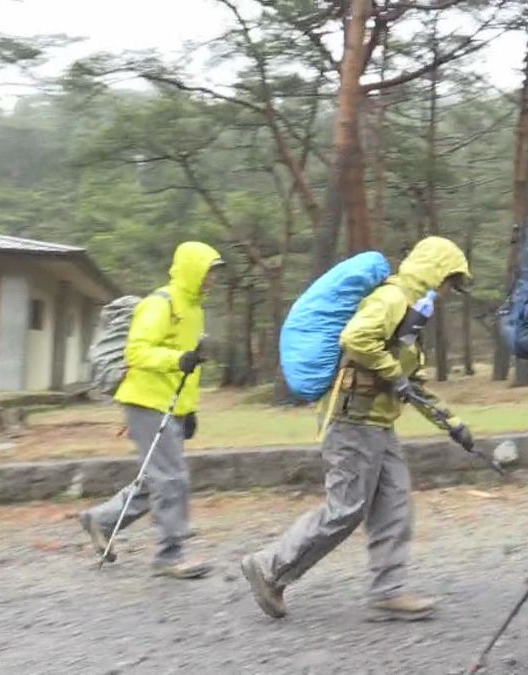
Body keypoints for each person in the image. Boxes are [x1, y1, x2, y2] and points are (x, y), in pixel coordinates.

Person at [241, 236, 475, 622]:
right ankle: (269, 567)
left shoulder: (413, 314)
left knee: (395, 504)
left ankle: (387, 592)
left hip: (379, 423)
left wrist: (452, 423)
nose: (450, 293)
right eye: (450, 283)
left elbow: (410, 383)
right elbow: (356, 339)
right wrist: (392, 372)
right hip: (352, 421)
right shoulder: (392, 299)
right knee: (345, 510)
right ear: (436, 273)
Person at [78, 241, 223, 579]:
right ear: (192, 269)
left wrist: (189, 411)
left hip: (170, 404)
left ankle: (101, 520)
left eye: (214, 274)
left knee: (155, 478)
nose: (211, 280)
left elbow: (189, 369)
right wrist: (176, 359)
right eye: (208, 273)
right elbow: (137, 352)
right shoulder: (160, 304)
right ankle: (169, 555)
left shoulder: (194, 309)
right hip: (146, 401)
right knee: (171, 478)